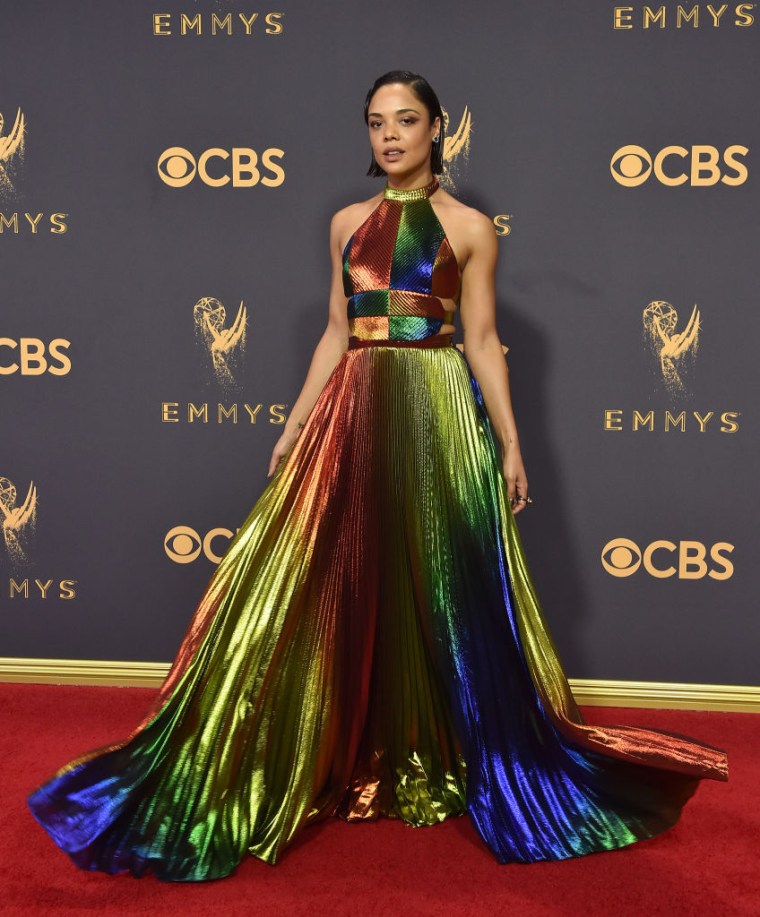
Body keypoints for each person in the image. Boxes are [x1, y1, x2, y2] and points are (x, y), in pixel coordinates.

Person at [27, 70, 728, 883]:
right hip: (355, 408)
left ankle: (460, 745)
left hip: (437, 413)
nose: (389, 135)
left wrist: (509, 442)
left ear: (439, 128)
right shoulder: (344, 224)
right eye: (375, 122)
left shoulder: (469, 228)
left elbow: (483, 338)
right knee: (329, 577)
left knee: (450, 584)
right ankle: (331, 746)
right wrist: (295, 422)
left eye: (405, 120)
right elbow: (336, 331)